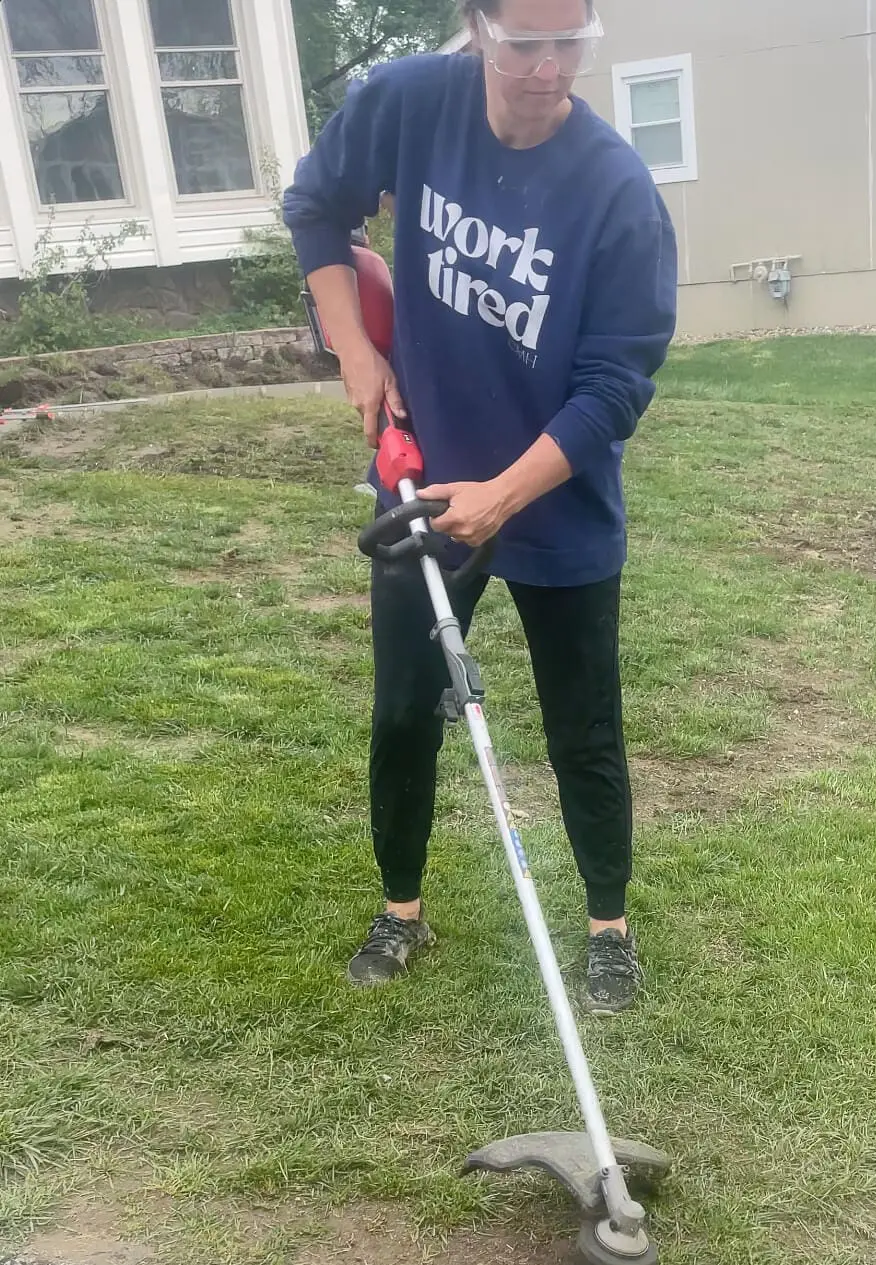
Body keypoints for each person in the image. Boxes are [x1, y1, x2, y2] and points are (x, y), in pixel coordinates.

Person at [283, 0, 678, 1014]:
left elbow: (615, 387)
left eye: (568, 46)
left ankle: (607, 930)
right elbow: (316, 204)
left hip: (553, 498)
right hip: (423, 484)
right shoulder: (410, 103)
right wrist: (356, 348)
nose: (547, 71)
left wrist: (504, 496)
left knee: (583, 726)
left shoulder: (616, 190)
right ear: (476, 30)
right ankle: (402, 910)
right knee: (405, 709)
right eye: (522, 46)